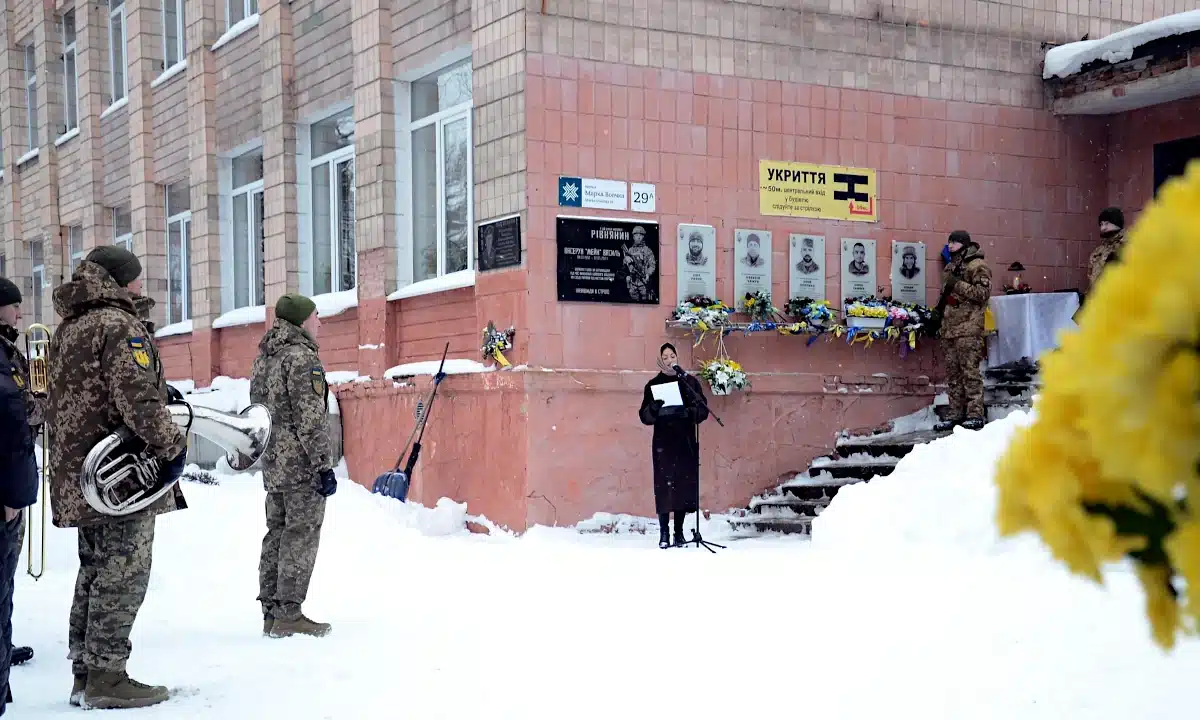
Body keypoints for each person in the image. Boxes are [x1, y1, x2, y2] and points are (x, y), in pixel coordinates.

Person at [47, 246, 188, 709]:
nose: (141, 287)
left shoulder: (70, 327)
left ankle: (84, 673)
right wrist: (173, 442)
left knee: (93, 569)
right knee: (124, 571)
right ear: (119, 281)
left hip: (84, 475)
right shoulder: (118, 325)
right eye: (136, 279)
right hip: (122, 480)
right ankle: (108, 677)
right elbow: (139, 405)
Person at [250, 294, 335, 639]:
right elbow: (310, 421)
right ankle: (289, 613)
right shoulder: (303, 359)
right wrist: (323, 466)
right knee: (300, 535)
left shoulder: (265, 358)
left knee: (277, 533)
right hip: (301, 466)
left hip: (274, 463)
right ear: (302, 320)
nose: (320, 322)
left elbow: (257, 412)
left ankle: (271, 611)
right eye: (317, 316)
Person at [0, 278, 41, 715]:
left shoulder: (10, 352)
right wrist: (14, 495)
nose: (19, 315)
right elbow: (13, 422)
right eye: (14, 308)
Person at [638, 343, 710, 549]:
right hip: (663, 443)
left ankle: (679, 532)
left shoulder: (688, 382)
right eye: (666, 357)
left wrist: (689, 412)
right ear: (660, 360)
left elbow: (703, 409)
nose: (670, 360)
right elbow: (644, 416)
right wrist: (654, 408)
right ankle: (664, 533)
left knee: (682, 486)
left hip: (685, 441)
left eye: (672, 355)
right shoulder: (653, 385)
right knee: (664, 487)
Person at [934, 231, 992, 432]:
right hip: (950, 329)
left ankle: (975, 414)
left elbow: (983, 294)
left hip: (968, 328)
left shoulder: (977, 266)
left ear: (965, 245)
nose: (950, 245)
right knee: (953, 375)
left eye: (955, 242)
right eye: (949, 242)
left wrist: (957, 284)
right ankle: (955, 413)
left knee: (970, 372)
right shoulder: (951, 266)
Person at [1087, 206, 1126, 291]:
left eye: (1107, 223)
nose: (1103, 228)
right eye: (1101, 224)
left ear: (1117, 223)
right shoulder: (1097, 252)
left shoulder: (1129, 245)